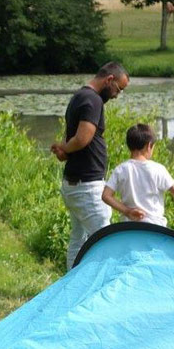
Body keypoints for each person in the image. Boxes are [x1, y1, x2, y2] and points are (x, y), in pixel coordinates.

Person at [49, 62, 129, 270]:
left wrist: (64, 150)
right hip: (86, 187)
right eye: (118, 89)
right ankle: (103, 290)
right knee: (106, 241)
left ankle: (72, 285)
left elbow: (75, 141)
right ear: (109, 80)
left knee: (79, 240)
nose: (117, 95)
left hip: (77, 183)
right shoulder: (92, 100)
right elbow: (83, 138)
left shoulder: (80, 96)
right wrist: (66, 148)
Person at [101, 123, 174, 227]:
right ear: (149, 146)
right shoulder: (158, 169)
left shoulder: (121, 169)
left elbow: (106, 196)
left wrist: (127, 211)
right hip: (155, 228)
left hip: (129, 227)